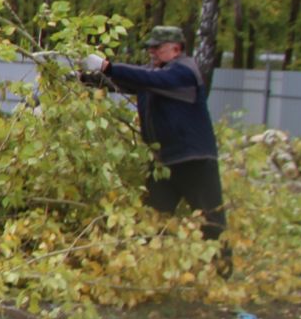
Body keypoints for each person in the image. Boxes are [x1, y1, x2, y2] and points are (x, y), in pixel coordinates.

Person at [82, 25, 224, 239]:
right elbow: (129, 82)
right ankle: (146, 265)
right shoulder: (158, 73)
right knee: (149, 221)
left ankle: (221, 270)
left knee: (212, 222)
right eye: (150, 47)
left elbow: (149, 80)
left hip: (194, 161)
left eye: (157, 47)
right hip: (164, 163)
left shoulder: (184, 72)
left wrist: (106, 66)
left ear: (176, 49)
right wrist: (86, 78)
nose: (151, 51)